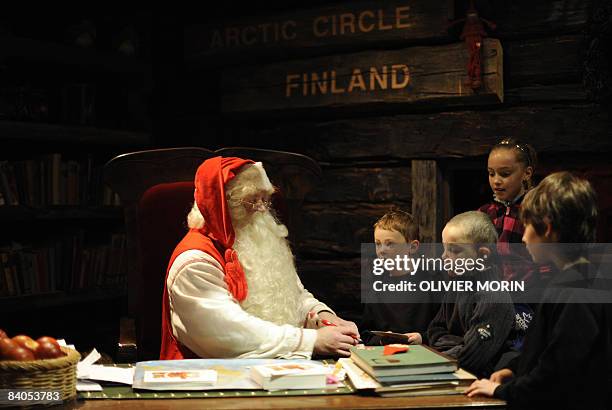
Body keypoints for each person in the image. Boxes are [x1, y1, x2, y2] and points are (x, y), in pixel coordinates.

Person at [160, 156, 359, 360]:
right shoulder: (195, 261)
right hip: (211, 378)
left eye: (265, 199)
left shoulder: (257, 239)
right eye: (252, 200)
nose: (263, 209)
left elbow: (292, 294)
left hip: (276, 365)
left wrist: (321, 316)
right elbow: (229, 331)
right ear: (223, 203)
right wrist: (310, 341)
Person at [466, 172, 612, 409]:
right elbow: (549, 348)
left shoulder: (578, 291)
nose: (523, 238)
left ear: (547, 227)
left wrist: (502, 391)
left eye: (528, 227)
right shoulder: (579, 278)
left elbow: (558, 375)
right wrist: (515, 368)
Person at [405, 211, 515, 378]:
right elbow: (435, 329)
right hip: (449, 372)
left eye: (454, 250)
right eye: (444, 248)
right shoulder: (457, 284)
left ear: (483, 255)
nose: (444, 256)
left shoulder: (494, 297)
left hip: (477, 382)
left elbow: (470, 359)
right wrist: (459, 342)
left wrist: (452, 344)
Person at [360, 209, 439, 345]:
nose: (381, 250)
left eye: (390, 243)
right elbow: (366, 333)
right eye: (378, 243)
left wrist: (424, 338)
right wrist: (380, 340)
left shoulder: (433, 282)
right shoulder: (377, 285)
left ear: (413, 247)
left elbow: (444, 329)